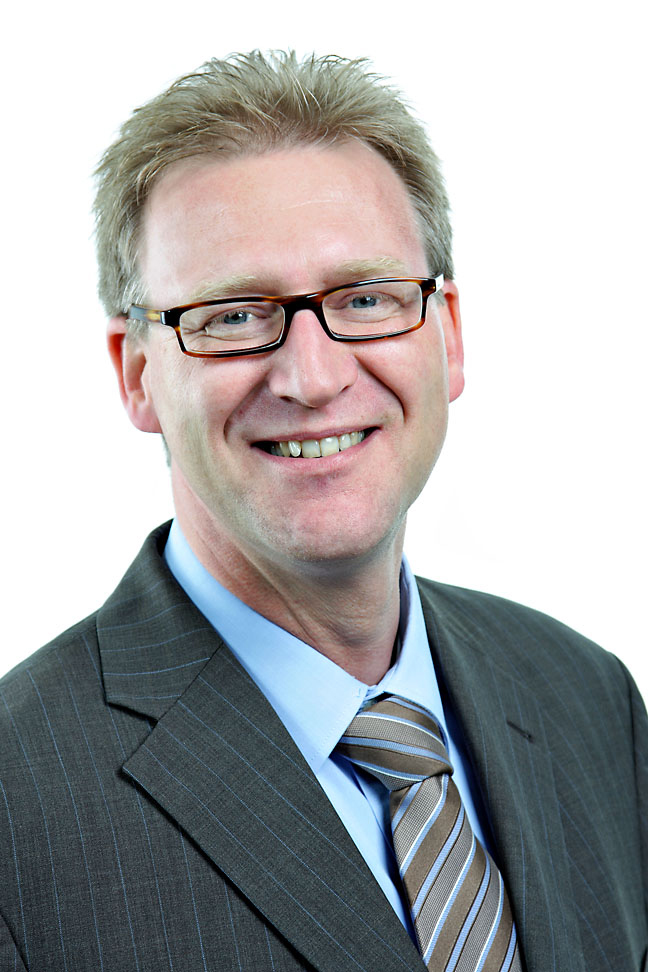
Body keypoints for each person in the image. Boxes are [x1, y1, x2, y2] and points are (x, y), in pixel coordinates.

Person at [0, 51, 645, 972]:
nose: (312, 377)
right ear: (137, 374)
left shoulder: (589, 699)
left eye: (367, 298)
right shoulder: (16, 805)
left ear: (449, 337)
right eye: (233, 315)